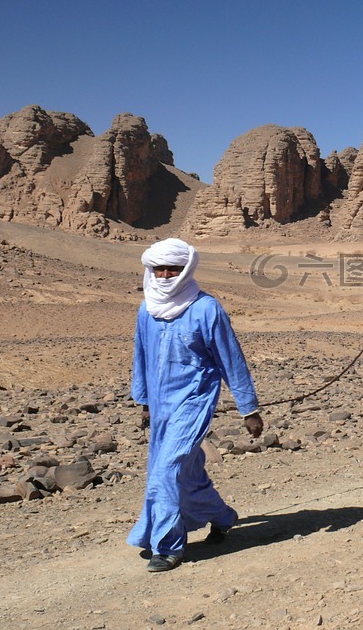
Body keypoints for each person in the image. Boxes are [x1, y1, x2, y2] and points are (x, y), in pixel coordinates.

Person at [127, 238, 263, 572]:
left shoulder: (206, 309)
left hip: (194, 401)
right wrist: (144, 401)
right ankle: (222, 517)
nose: (166, 274)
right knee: (187, 473)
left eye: (173, 268)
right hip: (161, 406)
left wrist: (249, 408)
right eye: (159, 268)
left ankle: (169, 546)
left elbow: (231, 359)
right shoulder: (147, 309)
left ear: (186, 269)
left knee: (167, 470)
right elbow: (141, 356)